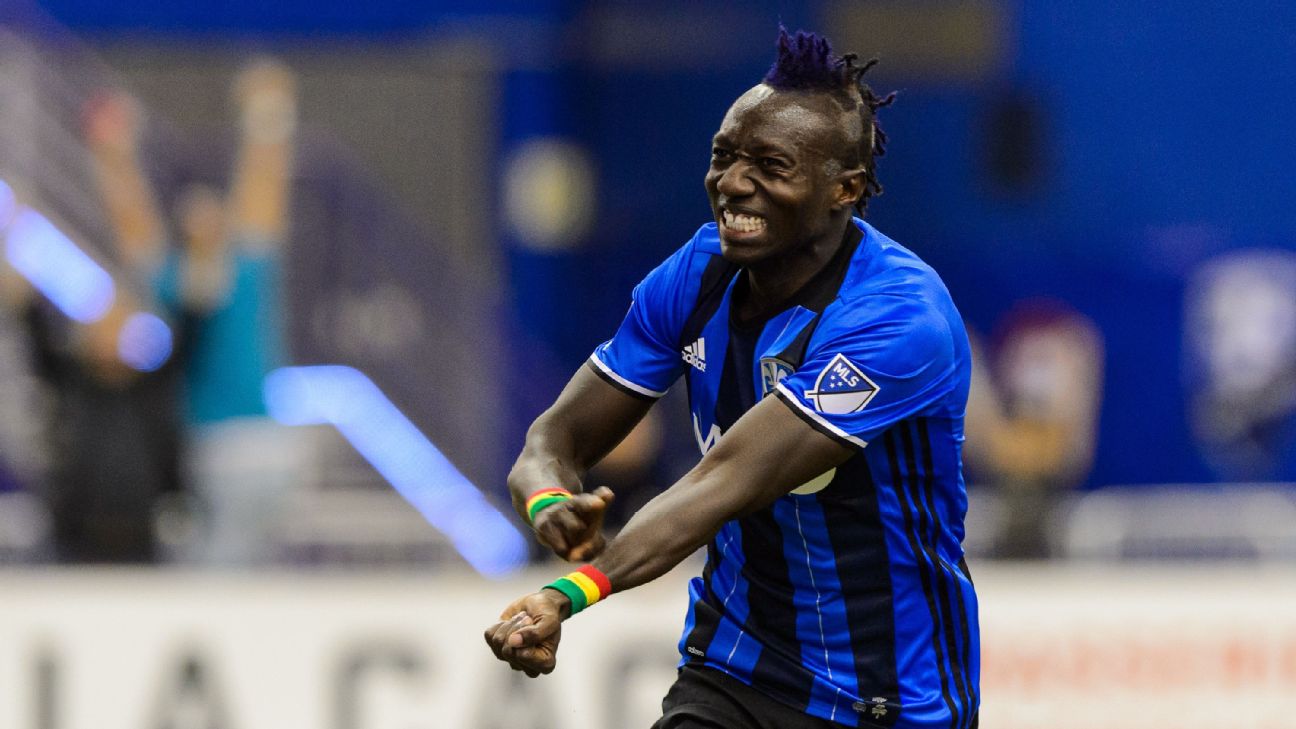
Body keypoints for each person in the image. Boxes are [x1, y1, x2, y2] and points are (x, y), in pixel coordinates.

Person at [485, 28, 980, 729]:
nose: (733, 183)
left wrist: (569, 592)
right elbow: (552, 440)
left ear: (845, 189)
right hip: (733, 668)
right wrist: (548, 502)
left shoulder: (899, 318)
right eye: (724, 156)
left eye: (770, 166)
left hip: (889, 695)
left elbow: (725, 481)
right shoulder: (695, 273)